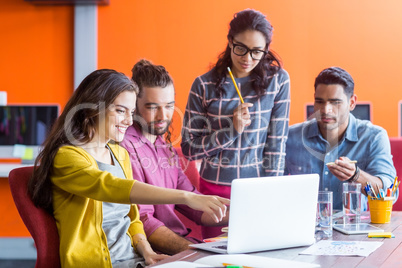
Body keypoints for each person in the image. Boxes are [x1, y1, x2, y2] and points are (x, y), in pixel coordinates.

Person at [28, 69, 229, 268]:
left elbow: (132, 217)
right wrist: (186, 197)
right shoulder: (67, 156)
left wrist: (148, 252)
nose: (129, 121)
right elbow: (110, 187)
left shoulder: (119, 154)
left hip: (134, 260)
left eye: (131, 112)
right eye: (120, 111)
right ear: (93, 108)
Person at [180, 9, 290, 238]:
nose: (247, 58)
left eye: (256, 51)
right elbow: (189, 148)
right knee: (216, 259)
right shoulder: (203, 85)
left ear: (266, 50)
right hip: (215, 194)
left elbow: (277, 144)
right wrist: (231, 131)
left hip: (259, 189)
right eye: (240, 48)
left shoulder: (278, 80)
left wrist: (271, 191)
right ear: (230, 41)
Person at [120, 59, 229, 255]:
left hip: (182, 245)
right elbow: (143, 220)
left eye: (169, 106)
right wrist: (194, 251)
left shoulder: (164, 147)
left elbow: (195, 206)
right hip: (153, 252)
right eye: (153, 107)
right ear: (135, 105)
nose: (163, 115)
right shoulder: (126, 147)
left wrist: (247, 215)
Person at [285, 67, 396, 211]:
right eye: (320, 101)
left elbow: (389, 195)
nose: (325, 110)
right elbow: (270, 186)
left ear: (352, 102)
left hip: (352, 228)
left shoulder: (373, 137)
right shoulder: (291, 137)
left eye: (335, 102)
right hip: (303, 226)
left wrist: (356, 176)